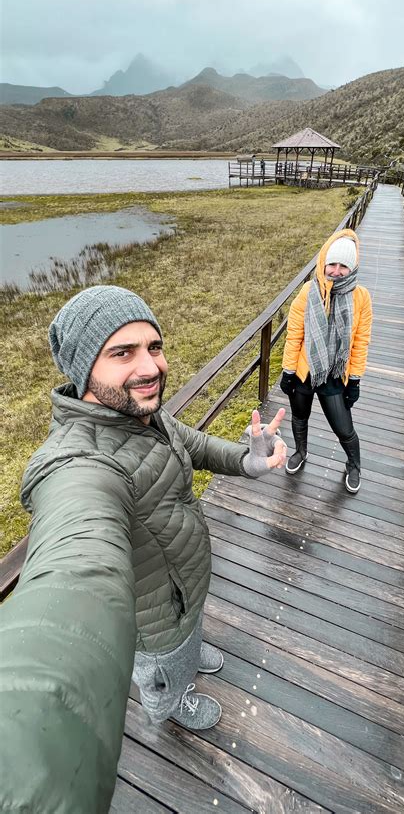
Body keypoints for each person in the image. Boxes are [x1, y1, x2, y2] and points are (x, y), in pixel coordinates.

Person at [0, 285, 286, 813]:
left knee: (191, 637)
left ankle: (191, 656)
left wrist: (247, 461)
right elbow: (74, 565)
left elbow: (191, 445)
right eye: (122, 352)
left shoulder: (144, 416)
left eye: (153, 346)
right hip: (153, 619)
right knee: (162, 675)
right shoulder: (76, 463)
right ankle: (170, 707)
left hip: (186, 586)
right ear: (84, 370)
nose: (150, 366)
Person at [280, 228, 372, 493]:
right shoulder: (308, 291)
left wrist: (354, 380)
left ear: (352, 267)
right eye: (332, 263)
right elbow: (294, 334)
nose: (336, 270)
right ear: (323, 262)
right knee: (299, 416)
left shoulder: (361, 297)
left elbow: (360, 342)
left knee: (344, 428)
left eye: (344, 265)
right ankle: (301, 451)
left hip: (334, 373)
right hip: (304, 370)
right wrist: (288, 372)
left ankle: (353, 465)